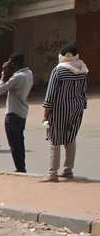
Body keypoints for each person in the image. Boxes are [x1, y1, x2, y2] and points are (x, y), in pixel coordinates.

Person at [42, 43, 89, 181]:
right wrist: (81, 107)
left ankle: (53, 174)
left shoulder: (58, 71)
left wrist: (45, 115)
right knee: (70, 137)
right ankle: (68, 170)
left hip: (60, 108)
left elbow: (50, 94)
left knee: (55, 139)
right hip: (77, 108)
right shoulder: (82, 69)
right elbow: (84, 91)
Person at [0, 53, 34, 173]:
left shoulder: (18, 77)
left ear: (13, 64)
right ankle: (22, 166)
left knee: (14, 143)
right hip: (22, 112)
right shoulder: (29, 73)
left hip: (13, 113)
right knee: (20, 141)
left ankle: (20, 168)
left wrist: (3, 73)